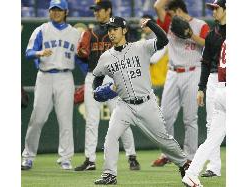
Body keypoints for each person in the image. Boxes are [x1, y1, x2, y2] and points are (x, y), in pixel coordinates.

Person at [93, 16, 190, 185]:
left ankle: (184, 163)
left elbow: (163, 40)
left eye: (115, 29)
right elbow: (97, 77)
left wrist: (151, 24)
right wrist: (98, 90)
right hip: (124, 105)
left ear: (124, 30)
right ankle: (110, 174)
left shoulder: (140, 47)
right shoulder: (105, 57)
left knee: (163, 140)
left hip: (146, 103)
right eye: (109, 29)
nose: (111, 32)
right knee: (110, 138)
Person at [74, 0, 140, 171]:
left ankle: (132, 156)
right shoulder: (91, 32)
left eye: (99, 10)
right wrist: (86, 67)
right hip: (93, 76)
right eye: (95, 10)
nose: (96, 13)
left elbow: (131, 50)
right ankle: (90, 159)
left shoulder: (119, 29)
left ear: (108, 10)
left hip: (114, 77)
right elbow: (81, 58)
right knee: (91, 120)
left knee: (121, 117)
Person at [21, 0, 81, 170]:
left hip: (65, 77)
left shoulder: (75, 33)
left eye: (59, 10)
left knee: (65, 120)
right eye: (53, 9)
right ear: (49, 11)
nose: (55, 12)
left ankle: (66, 158)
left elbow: (81, 58)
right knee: (37, 119)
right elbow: (28, 53)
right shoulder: (41, 30)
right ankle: (28, 156)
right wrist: (39, 53)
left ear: (66, 12)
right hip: (45, 77)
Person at [151, 0, 210, 167]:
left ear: (177, 10)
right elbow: (157, 6)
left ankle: (190, 156)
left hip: (192, 71)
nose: (168, 16)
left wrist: (191, 35)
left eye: (170, 12)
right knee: (165, 117)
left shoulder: (200, 25)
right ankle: (168, 153)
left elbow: (208, 44)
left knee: (190, 118)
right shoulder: (170, 23)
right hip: (172, 72)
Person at [182, 1, 226, 185]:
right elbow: (206, 62)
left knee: (214, 134)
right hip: (220, 82)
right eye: (212, 8)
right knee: (212, 129)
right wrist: (201, 87)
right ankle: (210, 167)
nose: (213, 11)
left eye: (217, 7)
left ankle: (192, 173)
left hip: (223, 89)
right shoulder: (212, 35)